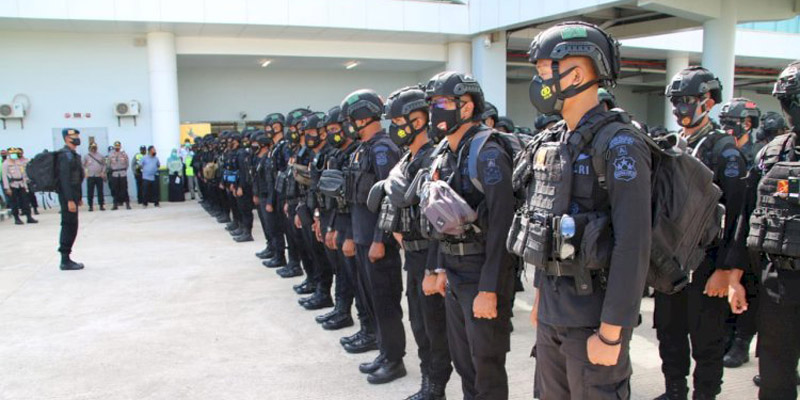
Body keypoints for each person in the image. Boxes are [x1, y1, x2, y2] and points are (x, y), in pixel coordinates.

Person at [522, 22, 651, 400]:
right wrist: (540, 299)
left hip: (593, 318)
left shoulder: (621, 144)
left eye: (545, 70)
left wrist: (612, 332)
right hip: (554, 312)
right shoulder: (554, 141)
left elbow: (633, 245)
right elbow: (546, 222)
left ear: (576, 74)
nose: (540, 81)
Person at [422, 70, 517, 399]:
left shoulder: (488, 153)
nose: (435, 110)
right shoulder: (446, 153)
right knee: (464, 361)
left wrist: (489, 289)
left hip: (483, 271)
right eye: (432, 104)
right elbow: (439, 217)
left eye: (442, 103)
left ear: (466, 106)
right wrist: (437, 267)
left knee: (486, 363)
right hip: (455, 271)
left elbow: (502, 226)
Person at [658, 66, 747, 400]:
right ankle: (675, 391)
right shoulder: (673, 146)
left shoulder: (725, 152)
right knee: (669, 332)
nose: (680, 108)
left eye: (687, 100)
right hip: (670, 262)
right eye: (676, 101)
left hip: (707, 262)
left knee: (707, 340)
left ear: (708, 102)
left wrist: (725, 270)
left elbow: (737, 216)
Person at [728, 60, 800, 400]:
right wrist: (735, 278)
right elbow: (748, 217)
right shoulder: (772, 154)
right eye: (790, 100)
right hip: (779, 281)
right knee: (774, 378)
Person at [384, 85, 452, 400]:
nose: (395, 128)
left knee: (434, 326)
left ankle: (435, 386)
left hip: (429, 253)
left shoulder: (433, 158)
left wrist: (433, 268)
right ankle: (428, 381)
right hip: (411, 254)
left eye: (400, 122)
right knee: (419, 323)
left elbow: (439, 217)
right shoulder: (406, 159)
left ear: (419, 120)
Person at [341, 89, 406, 384]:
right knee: (372, 301)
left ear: (362, 116)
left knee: (385, 302)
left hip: (378, 243)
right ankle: (384, 351)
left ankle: (394, 360)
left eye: (350, 119)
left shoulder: (383, 149)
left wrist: (380, 239)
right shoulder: (362, 149)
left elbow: (389, 198)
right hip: (363, 238)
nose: (348, 125)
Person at [57, 128, 85, 270]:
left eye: (77, 135)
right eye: (74, 136)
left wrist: (78, 197)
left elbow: (77, 178)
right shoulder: (64, 155)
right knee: (68, 225)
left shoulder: (73, 155)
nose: (77, 138)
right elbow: (65, 179)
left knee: (73, 226)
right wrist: (69, 200)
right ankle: (65, 260)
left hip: (73, 195)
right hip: (67, 196)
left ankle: (67, 258)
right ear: (67, 138)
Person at [719, 97, 761, 167]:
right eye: (723, 122)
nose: (725, 127)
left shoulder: (757, 157)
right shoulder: (715, 147)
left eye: (730, 122)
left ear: (747, 125)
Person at [2, 147, 37, 225]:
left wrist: (25, 185)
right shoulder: (6, 164)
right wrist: (7, 188)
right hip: (12, 185)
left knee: (25, 201)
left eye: (15, 153)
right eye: (12, 153)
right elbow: (4, 177)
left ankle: (29, 217)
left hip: (21, 184)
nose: (14, 155)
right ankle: (17, 218)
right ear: (9, 154)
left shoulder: (18, 162)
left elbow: (23, 174)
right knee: (14, 202)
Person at [83, 142, 107, 211]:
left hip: (99, 176)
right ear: (89, 148)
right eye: (92, 147)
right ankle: (90, 206)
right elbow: (83, 165)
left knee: (100, 191)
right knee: (90, 191)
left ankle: (101, 205)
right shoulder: (86, 156)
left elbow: (104, 164)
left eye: (94, 147)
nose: (93, 149)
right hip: (90, 176)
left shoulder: (100, 156)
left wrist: (103, 172)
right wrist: (85, 172)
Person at [107, 141, 131, 210]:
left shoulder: (124, 154)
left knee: (125, 189)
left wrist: (123, 170)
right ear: (114, 147)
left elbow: (127, 164)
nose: (117, 147)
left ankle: (127, 204)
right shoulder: (111, 155)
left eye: (118, 146)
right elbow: (108, 165)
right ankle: (115, 205)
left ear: (120, 146)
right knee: (115, 190)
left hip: (122, 173)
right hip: (115, 174)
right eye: (116, 146)